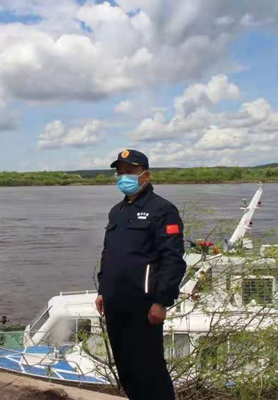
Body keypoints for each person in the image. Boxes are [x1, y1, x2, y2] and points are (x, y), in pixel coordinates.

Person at [96, 149, 187, 400]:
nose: (123, 177)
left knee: (149, 368)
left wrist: (161, 301)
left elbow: (173, 259)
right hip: (115, 302)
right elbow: (109, 253)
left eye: (130, 171)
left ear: (145, 175)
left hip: (144, 304)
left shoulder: (163, 210)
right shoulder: (117, 211)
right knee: (126, 367)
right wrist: (103, 290)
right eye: (120, 172)